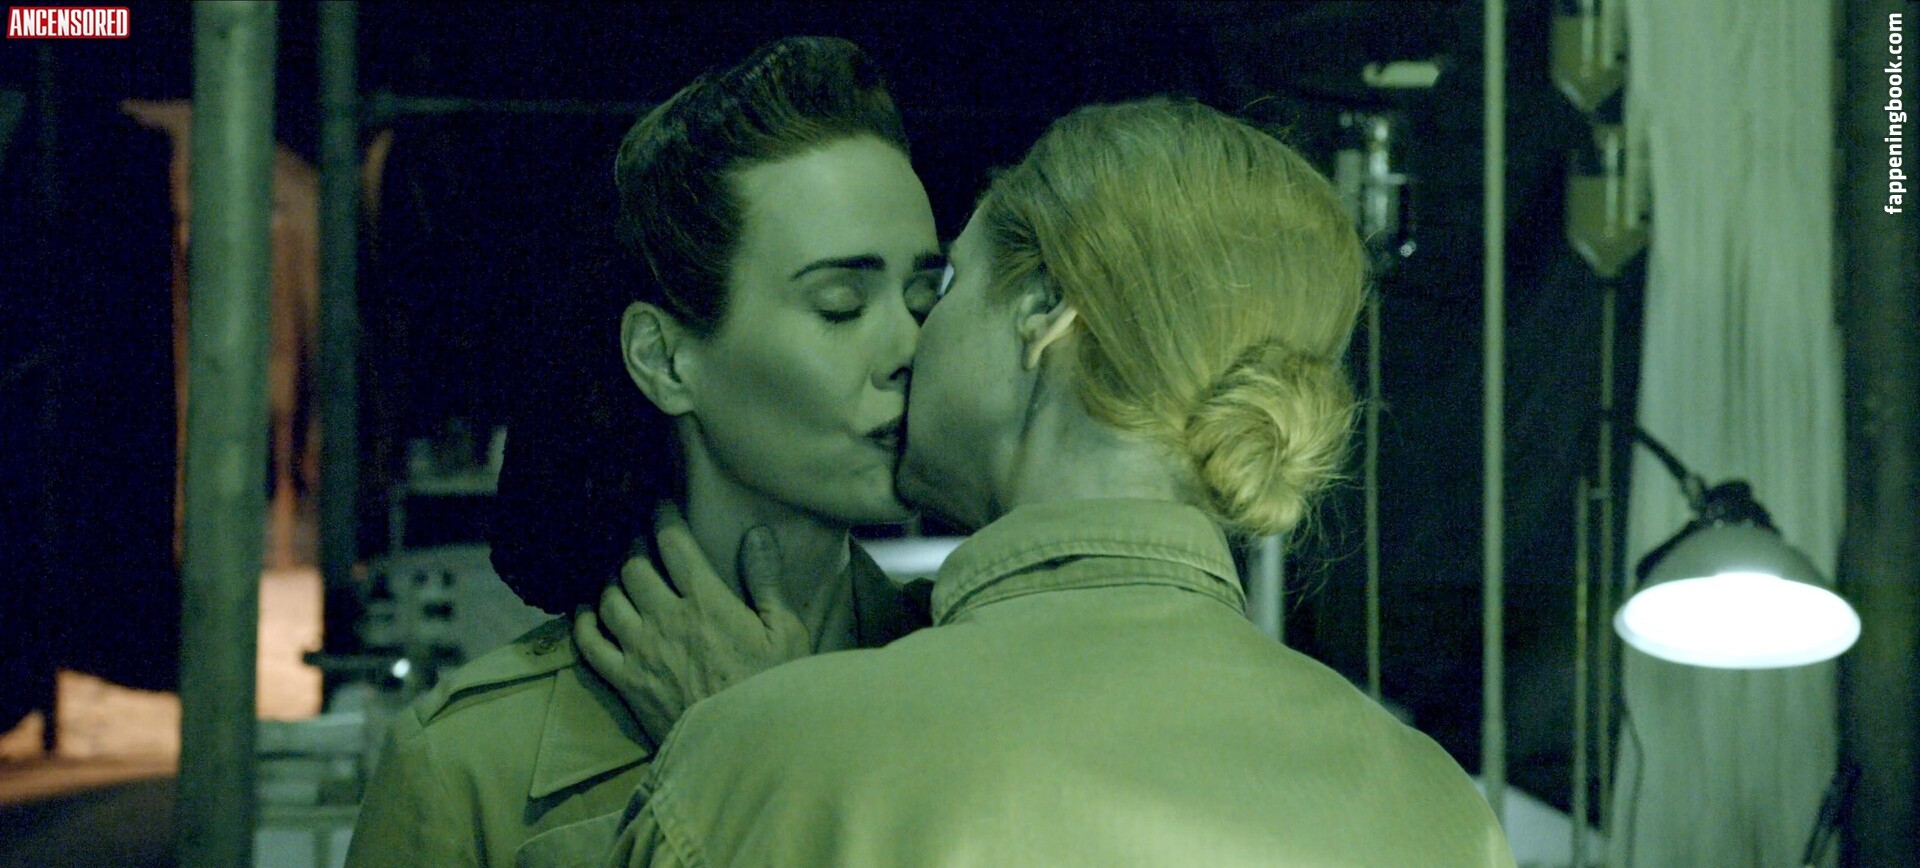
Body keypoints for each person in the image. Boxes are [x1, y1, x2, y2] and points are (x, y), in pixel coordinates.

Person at [592, 97, 1518, 866]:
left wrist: (762, 772)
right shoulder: (1441, 810)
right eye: (844, 304)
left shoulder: (781, 764)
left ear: (1041, 313)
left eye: (943, 286)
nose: (910, 342)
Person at [345, 36, 944, 867]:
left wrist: (764, 738)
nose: (910, 347)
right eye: (841, 304)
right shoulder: (470, 770)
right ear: (664, 360)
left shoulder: (978, 685)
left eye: (925, 296)